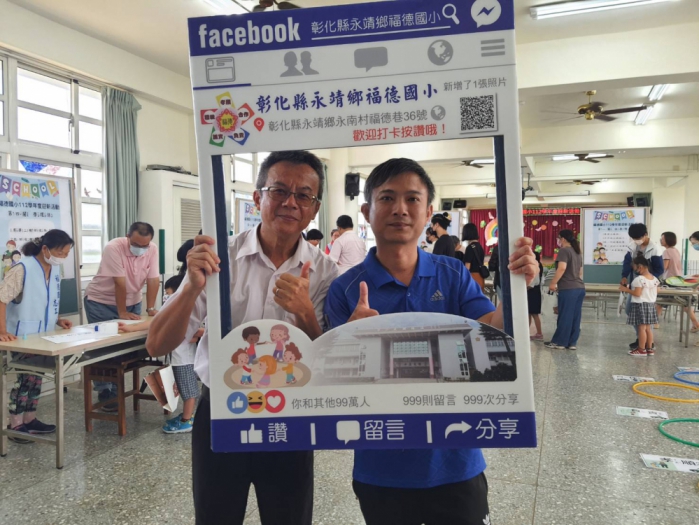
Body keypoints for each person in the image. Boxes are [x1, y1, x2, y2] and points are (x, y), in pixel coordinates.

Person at [324, 157, 537, 525]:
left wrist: (517, 289)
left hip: (457, 459)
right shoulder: (345, 288)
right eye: (387, 198)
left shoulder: (451, 273)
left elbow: (491, 329)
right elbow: (332, 382)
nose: (400, 209)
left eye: (412, 199)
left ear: (428, 212)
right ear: (367, 211)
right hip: (381, 467)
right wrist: (351, 340)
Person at [145, 150, 340, 525]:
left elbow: (328, 362)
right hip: (221, 411)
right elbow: (157, 345)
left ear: (315, 209)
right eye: (279, 190)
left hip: (290, 416)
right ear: (257, 197)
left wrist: (305, 312)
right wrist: (191, 288)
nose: (290, 202)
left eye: (304, 195)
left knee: (289, 517)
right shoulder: (219, 258)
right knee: (215, 516)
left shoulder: (326, 272)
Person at [0, 230, 74, 443]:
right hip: (22, 335)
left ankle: (30, 420)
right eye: (60, 252)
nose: (63, 257)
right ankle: (15, 425)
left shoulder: (55, 268)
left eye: (66, 253)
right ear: (45, 249)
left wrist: (58, 319)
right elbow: (2, 299)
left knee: (36, 379)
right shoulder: (22, 268)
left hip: (45, 334)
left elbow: (49, 299)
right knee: (24, 380)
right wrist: (2, 331)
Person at [84, 221, 160, 411]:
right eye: (136, 244)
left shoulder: (152, 249)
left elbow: (153, 279)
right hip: (101, 302)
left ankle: (117, 388)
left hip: (133, 301)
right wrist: (122, 312)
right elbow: (119, 282)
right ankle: (105, 391)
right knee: (103, 347)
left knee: (126, 347)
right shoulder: (114, 247)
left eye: (145, 245)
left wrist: (151, 308)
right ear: (128, 237)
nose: (141, 249)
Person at [119, 273, 204, 434]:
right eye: (166, 294)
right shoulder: (173, 311)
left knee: (188, 391)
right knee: (185, 388)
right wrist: (130, 328)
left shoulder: (185, 312)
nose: (167, 298)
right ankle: (187, 416)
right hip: (179, 359)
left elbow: (196, 332)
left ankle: (187, 420)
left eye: (169, 294)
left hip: (184, 360)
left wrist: (192, 334)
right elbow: (153, 323)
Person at [621, 223, 663, 350]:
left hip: (647, 286)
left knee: (644, 316)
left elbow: (659, 269)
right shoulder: (632, 246)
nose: (636, 240)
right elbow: (627, 263)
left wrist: (648, 279)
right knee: (630, 310)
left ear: (645, 235)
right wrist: (624, 276)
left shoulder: (654, 248)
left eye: (638, 238)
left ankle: (647, 342)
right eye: (633, 238)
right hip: (636, 283)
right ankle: (641, 338)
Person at [546, 229, 585, 350]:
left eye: (558, 238)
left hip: (568, 289)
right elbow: (580, 272)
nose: (558, 240)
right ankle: (572, 342)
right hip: (579, 288)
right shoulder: (577, 252)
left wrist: (553, 283)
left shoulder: (564, 251)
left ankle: (560, 342)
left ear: (562, 238)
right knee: (575, 316)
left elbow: (562, 268)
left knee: (565, 315)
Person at [619, 255, 659, 357]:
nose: (634, 270)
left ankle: (641, 349)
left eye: (634, 268)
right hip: (650, 305)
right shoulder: (654, 279)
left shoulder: (639, 279)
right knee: (648, 329)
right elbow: (653, 290)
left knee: (641, 329)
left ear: (640, 267)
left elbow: (637, 293)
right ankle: (649, 349)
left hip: (640, 305)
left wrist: (626, 289)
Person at [657, 231, 683, 325]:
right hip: (678, 279)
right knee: (684, 303)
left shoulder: (666, 251)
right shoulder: (676, 250)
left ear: (668, 239)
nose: (660, 240)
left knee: (659, 301)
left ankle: (654, 322)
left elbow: (665, 267)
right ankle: (695, 323)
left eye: (662, 238)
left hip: (669, 280)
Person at [462, 222, 487, 290]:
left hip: (473, 277)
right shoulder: (480, 246)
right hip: (480, 277)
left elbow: (467, 266)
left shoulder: (470, 248)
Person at [528, 251, 544, 341]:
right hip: (534, 291)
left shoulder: (535, 266)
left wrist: (525, 288)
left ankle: (539, 333)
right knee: (529, 313)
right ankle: (526, 332)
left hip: (533, 291)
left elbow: (533, 282)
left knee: (534, 314)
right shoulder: (538, 265)